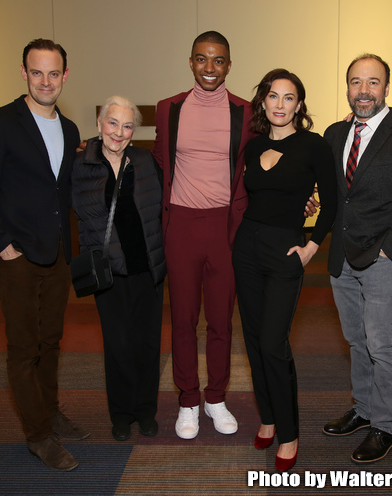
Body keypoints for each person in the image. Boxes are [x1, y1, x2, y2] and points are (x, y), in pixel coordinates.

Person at [0, 38, 88, 471]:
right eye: (37, 72)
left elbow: (65, 191)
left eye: (54, 73)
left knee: (51, 341)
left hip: (56, 256)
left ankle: (49, 411)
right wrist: (2, 247)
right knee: (23, 348)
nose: (46, 81)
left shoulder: (69, 129)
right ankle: (38, 435)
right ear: (24, 73)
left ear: (65, 76)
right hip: (15, 257)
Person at [322, 54, 392, 463]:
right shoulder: (334, 134)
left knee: (382, 344)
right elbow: (336, 195)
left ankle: (385, 425)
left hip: (384, 260)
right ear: (348, 87)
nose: (364, 90)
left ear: (387, 88)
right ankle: (364, 409)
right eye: (356, 82)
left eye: (373, 82)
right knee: (356, 341)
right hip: (342, 259)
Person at [233, 69, 337, 471]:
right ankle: (268, 417)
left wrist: (312, 248)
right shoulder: (252, 146)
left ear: (299, 104)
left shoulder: (313, 146)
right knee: (255, 340)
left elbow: (329, 202)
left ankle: (289, 433)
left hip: (286, 253)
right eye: (272, 96)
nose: (279, 104)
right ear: (263, 102)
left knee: (275, 343)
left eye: (288, 98)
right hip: (246, 249)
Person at [152, 31, 253, 439]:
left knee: (220, 321)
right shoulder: (167, 109)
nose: (210, 68)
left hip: (226, 228)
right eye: (202, 59)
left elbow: (267, 165)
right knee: (182, 319)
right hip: (181, 226)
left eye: (218, 60)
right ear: (190, 62)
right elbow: (158, 162)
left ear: (229, 65)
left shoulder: (246, 112)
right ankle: (188, 400)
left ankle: (216, 398)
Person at [72, 96, 166, 442]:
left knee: (147, 343)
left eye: (128, 126)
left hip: (146, 269)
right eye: (113, 123)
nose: (119, 132)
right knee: (117, 345)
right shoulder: (80, 165)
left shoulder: (143, 161)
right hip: (108, 273)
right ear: (99, 124)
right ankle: (121, 414)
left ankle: (145, 411)